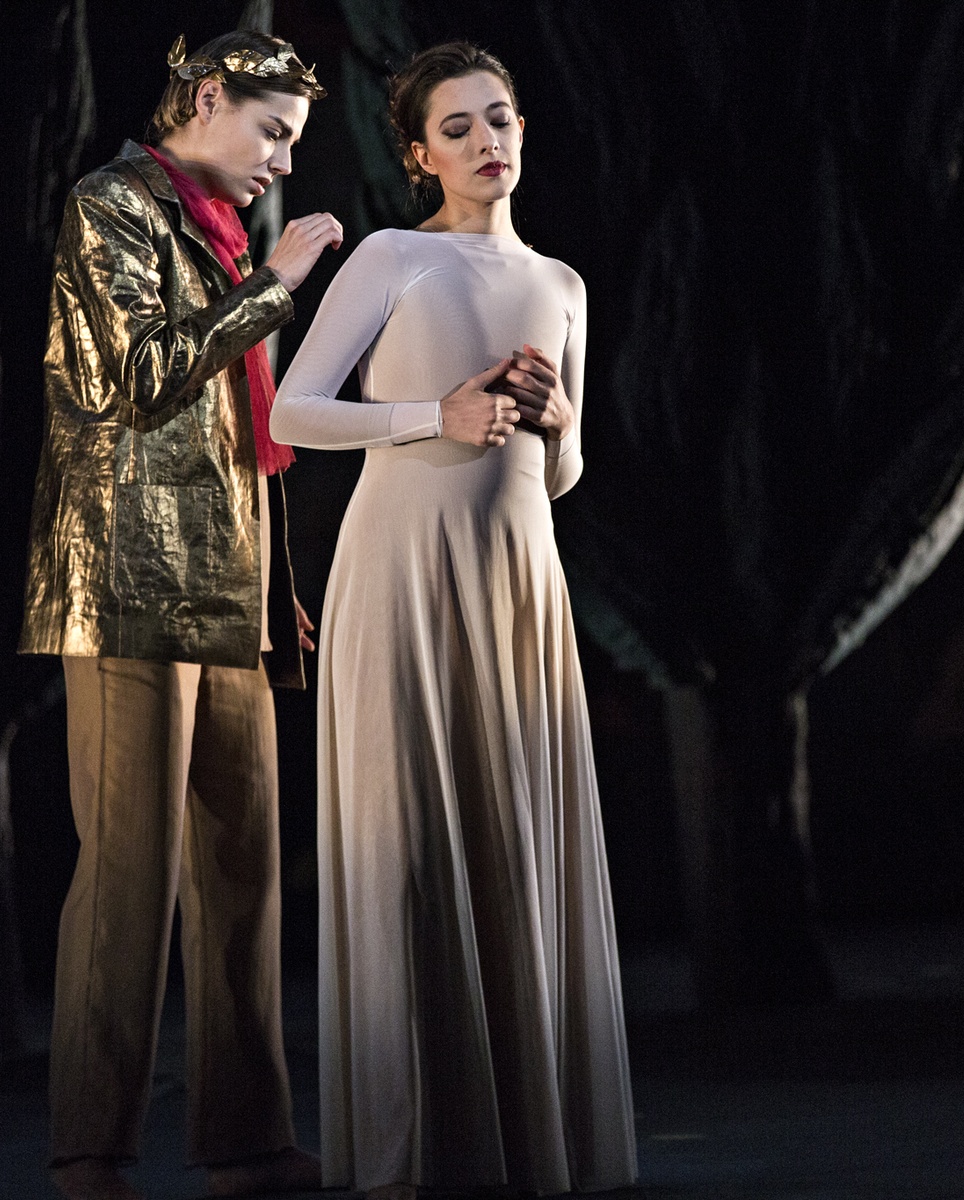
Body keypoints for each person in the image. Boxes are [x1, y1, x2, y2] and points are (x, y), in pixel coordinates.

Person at [271, 41, 638, 1198]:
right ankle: (414, 1147)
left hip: (519, 579)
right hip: (403, 570)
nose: (489, 141)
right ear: (420, 153)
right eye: (460, 126)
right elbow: (292, 411)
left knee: (517, 838)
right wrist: (438, 411)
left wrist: (560, 422)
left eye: (501, 118)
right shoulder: (395, 257)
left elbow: (559, 475)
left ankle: (524, 1138)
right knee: (414, 848)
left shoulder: (563, 285)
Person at [19, 30, 344, 1200]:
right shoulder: (111, 203)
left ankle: (246, 1143)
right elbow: (135, 378)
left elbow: (237, 437)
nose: (282, 163)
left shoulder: (216, 226)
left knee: (243, 869)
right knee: (128, 874)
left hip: (229, 590)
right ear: (206, 97)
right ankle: (89, 1150)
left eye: (293, 143)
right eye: (272, 134)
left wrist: (274, 582)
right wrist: (275, 287)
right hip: (127, 586)